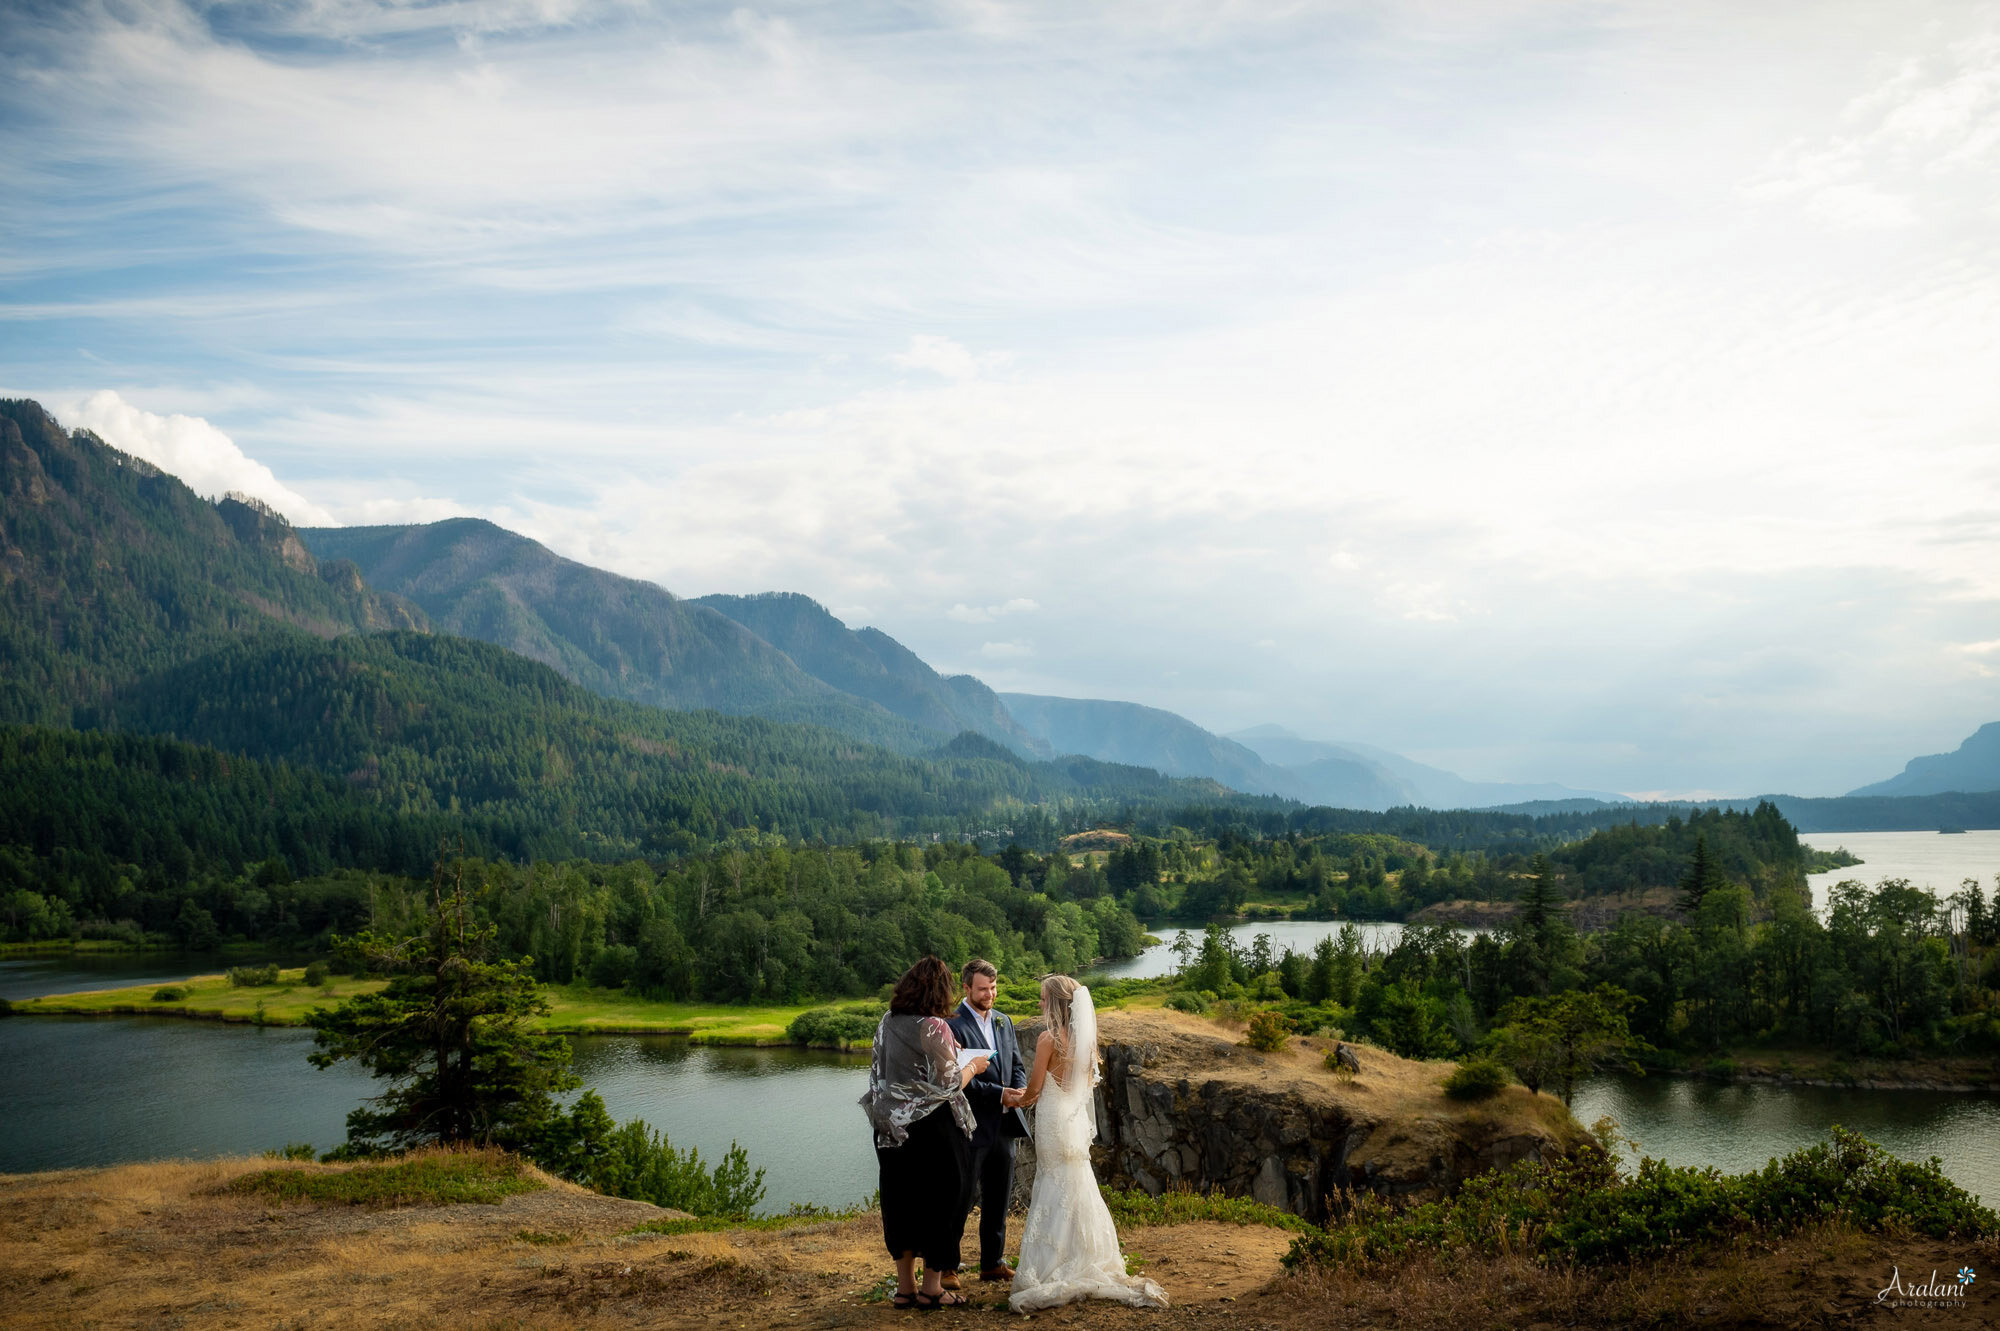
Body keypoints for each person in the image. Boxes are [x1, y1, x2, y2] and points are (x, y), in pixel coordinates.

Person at [1001, 975, 1169, 1313]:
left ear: (1057, 1003)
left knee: (1051, 1185)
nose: (1039, 1004)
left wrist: (1009, 1098)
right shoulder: (1086, 1043)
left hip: (1052, 1122)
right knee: (1076, 1187)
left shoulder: (1050, 1040)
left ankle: (1051, 1265)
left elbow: (1033, 1091)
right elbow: (1082, 1087)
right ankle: (1085, 1256)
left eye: (1043, 999)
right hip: (1073, 1123)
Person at [859, 955, 987, 1311]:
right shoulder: (934, 1026)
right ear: (940, 991)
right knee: (945, 1201)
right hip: (933, 1131)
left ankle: (904, 1288)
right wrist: (973, 1066)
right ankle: (932, 1288)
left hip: (891, 1130)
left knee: (901, 1202)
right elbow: (947, 1085)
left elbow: (880, 1073)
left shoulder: (888, 1021)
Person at [945, 958, 1029, 1285]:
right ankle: (947, 1266)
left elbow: (1016, 1063)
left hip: (1005, 1125)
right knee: (961, 1198)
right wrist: (1000, 1093)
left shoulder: (1004, 1021)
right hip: (970, 1125)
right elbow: (959, 1078)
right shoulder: (951, 1024)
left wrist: (1019, 1090)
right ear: (966, 988)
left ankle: (992, 1263)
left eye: (993, 988)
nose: (989, 994)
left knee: (999, 1198)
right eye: (982, 989)